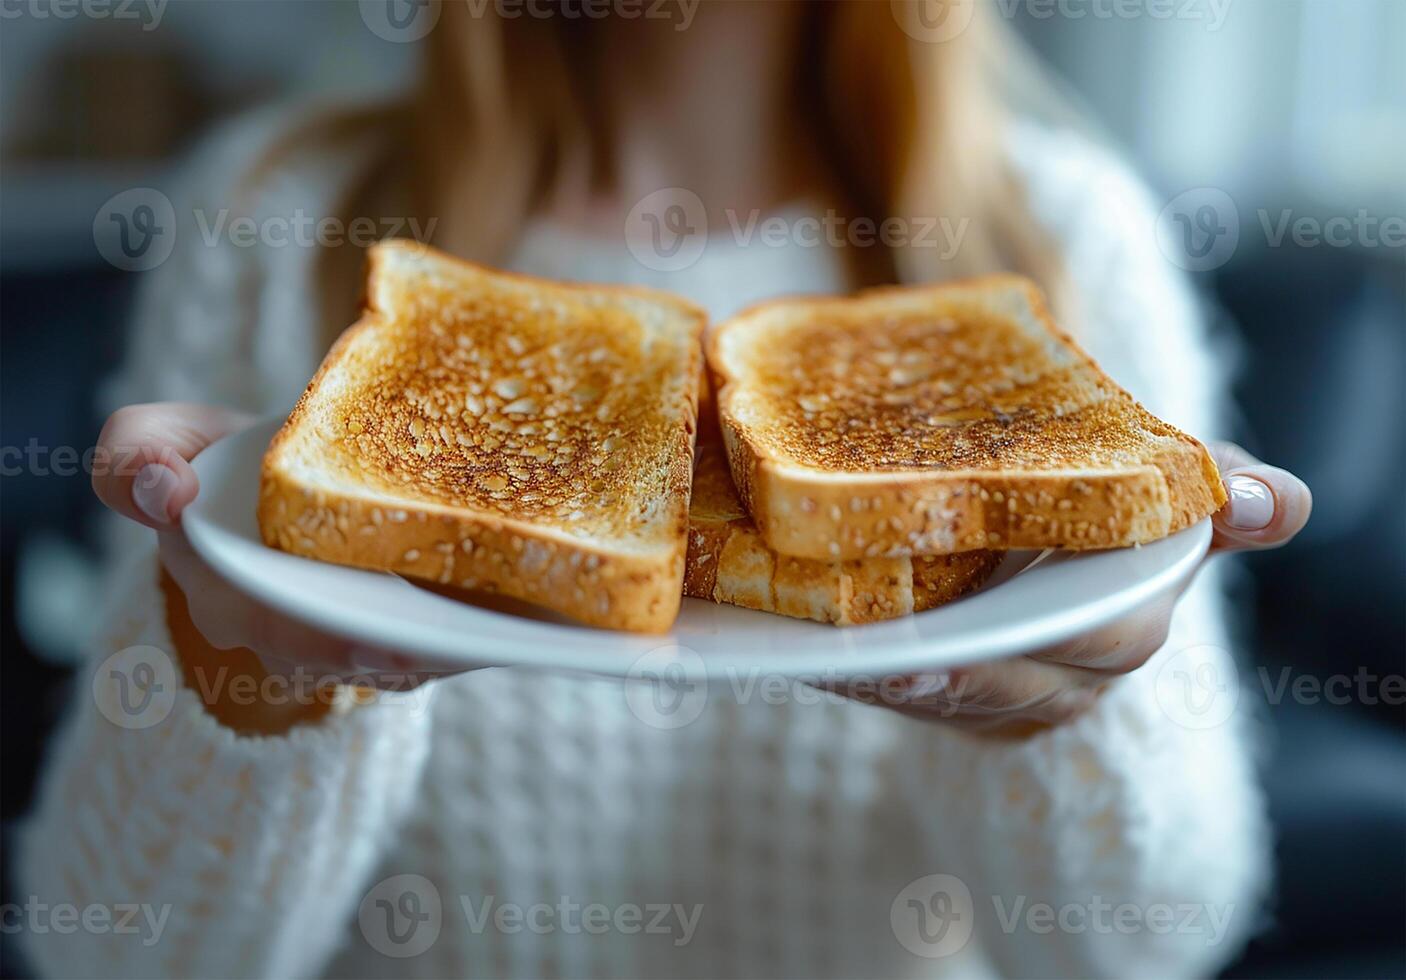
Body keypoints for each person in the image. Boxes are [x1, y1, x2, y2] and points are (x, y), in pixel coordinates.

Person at [21, 3, 1311, 977]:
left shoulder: (1065, 232)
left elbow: (1156, 936)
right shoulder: (274, 217)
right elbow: (113, 948)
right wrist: (247, 682)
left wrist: (1047, 718)